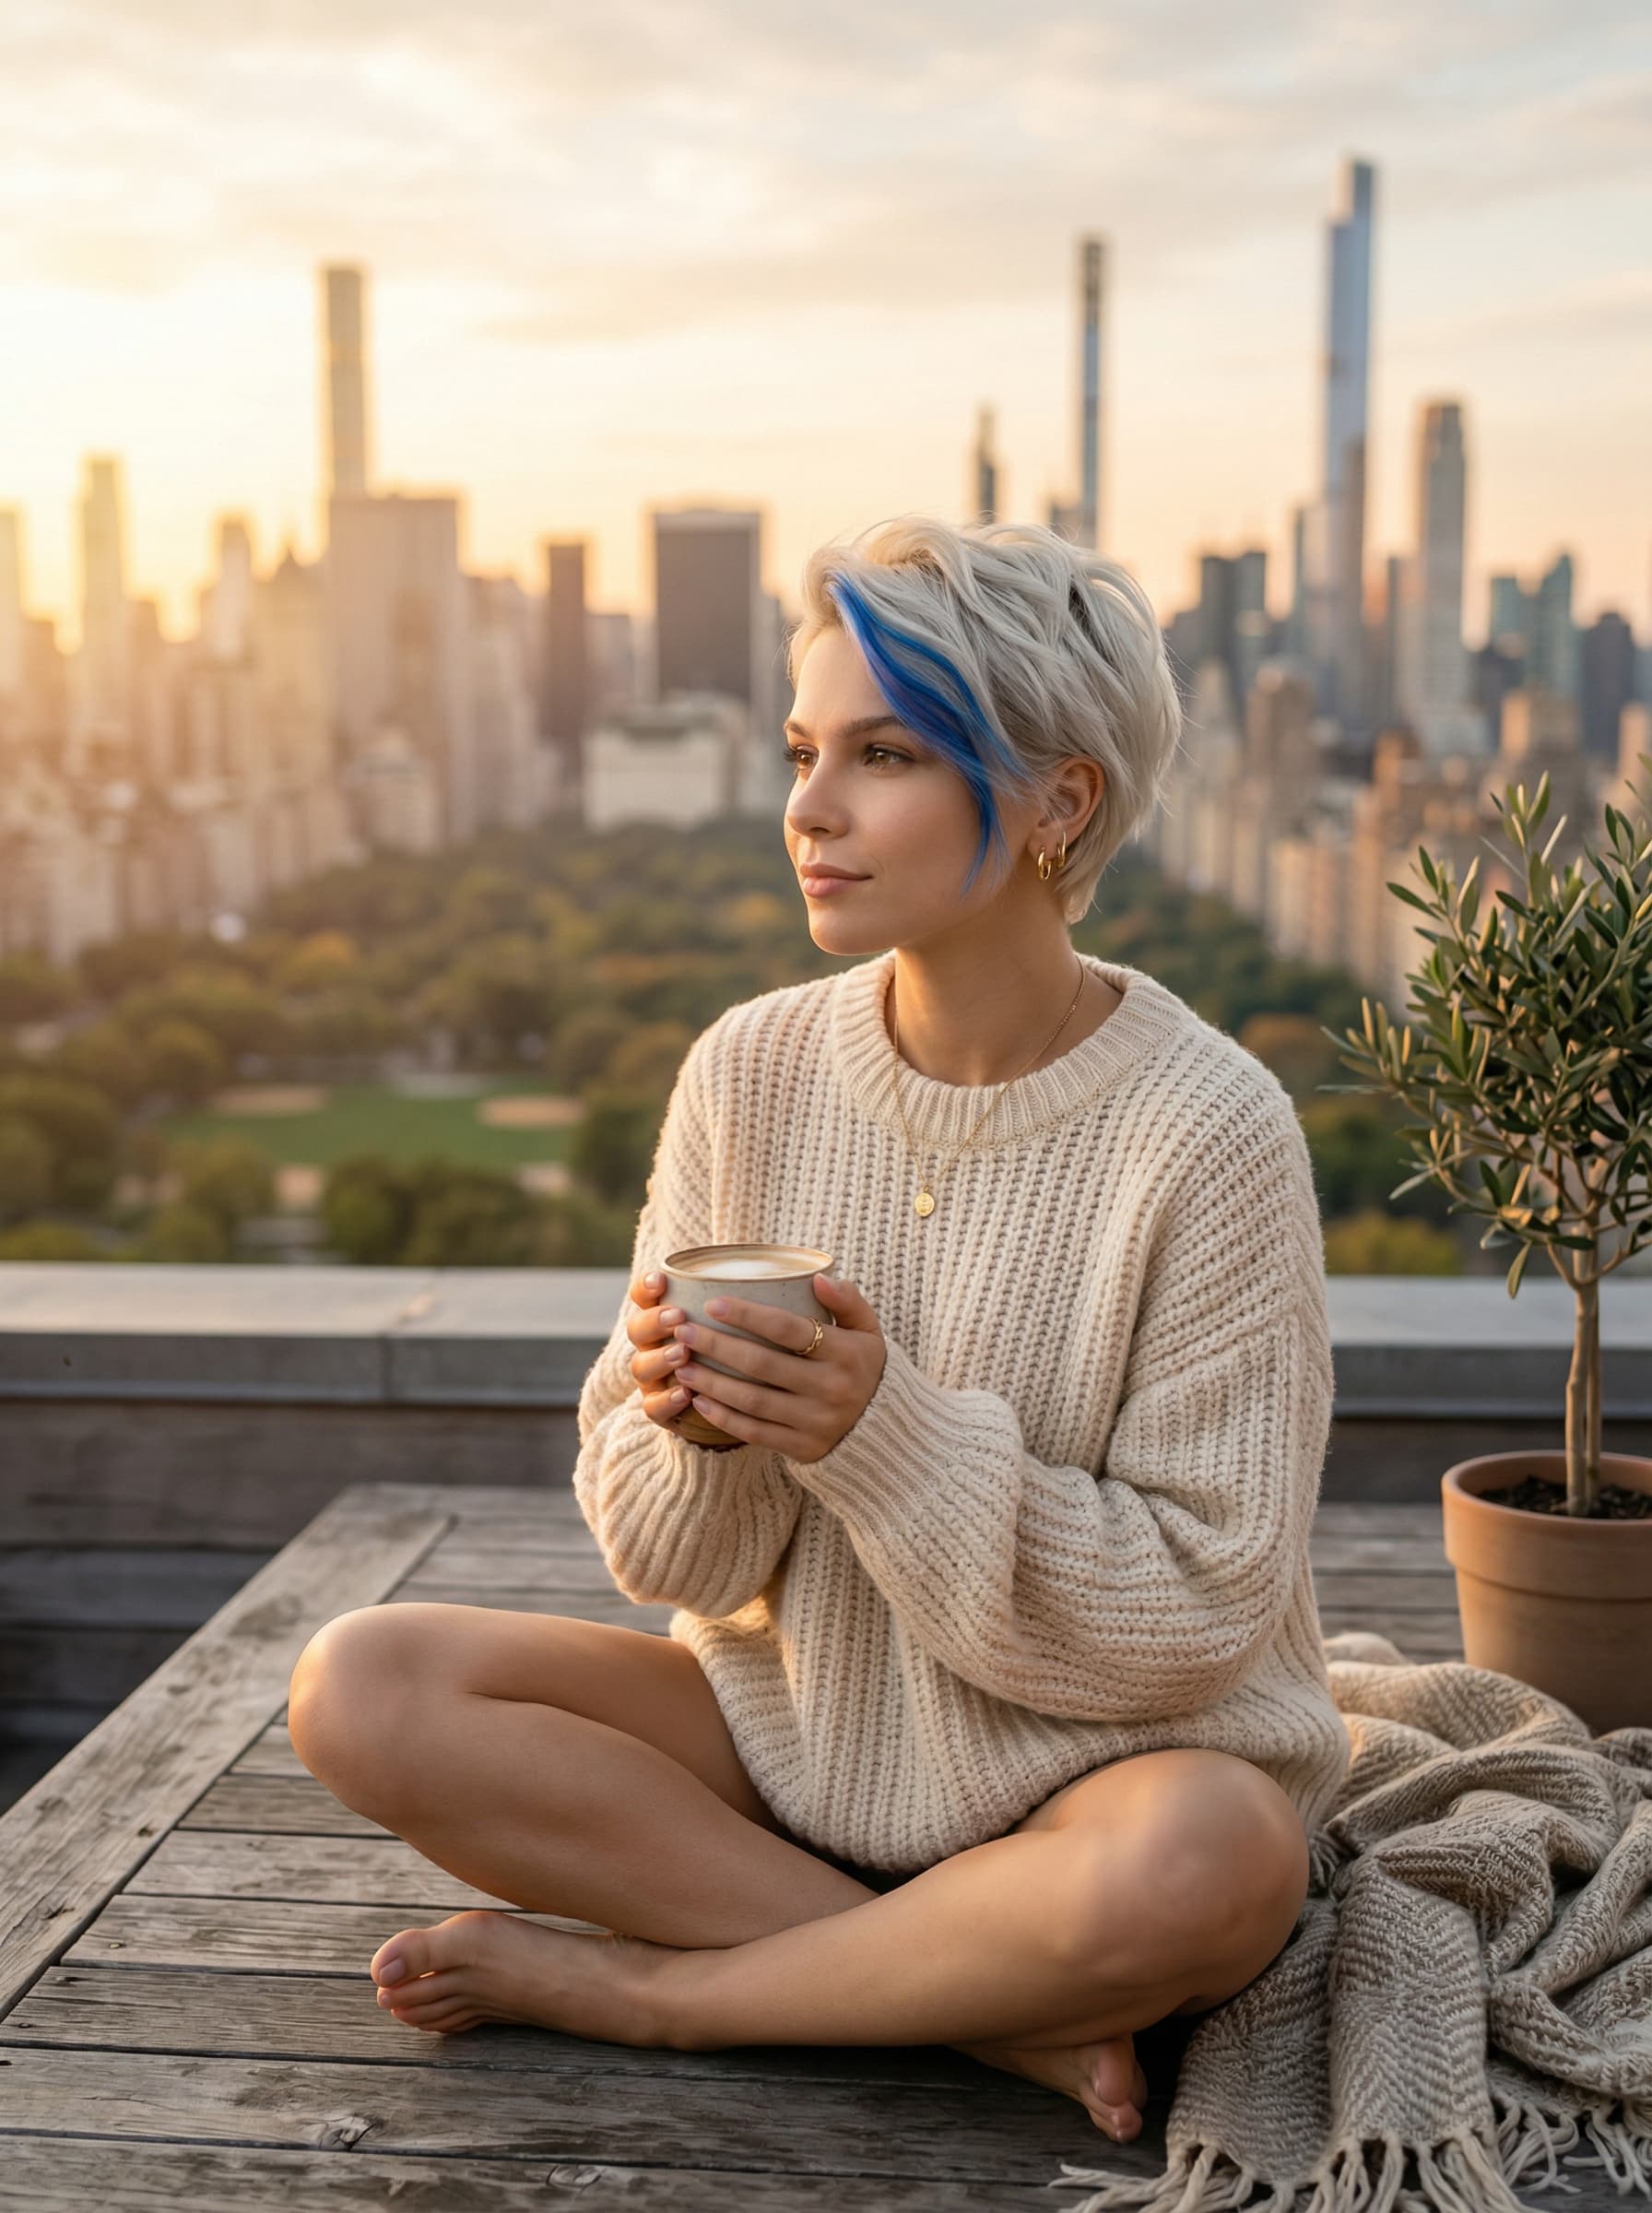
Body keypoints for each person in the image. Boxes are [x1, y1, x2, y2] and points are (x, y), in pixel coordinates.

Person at [287, 515, 1351, 2143]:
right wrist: (698, 1430)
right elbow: (676, 1569)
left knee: (1221, 1861)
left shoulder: (1211, 1129)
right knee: (361, 1684)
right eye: (802, 751)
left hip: (1101, 1785)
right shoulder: (752, 1070)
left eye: (883, 754)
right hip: (792, 1746)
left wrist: (879, 1433)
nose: (808, 809)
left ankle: (665, 1993)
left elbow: (1201, 1614)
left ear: (1061, 801)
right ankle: (971, 2006)